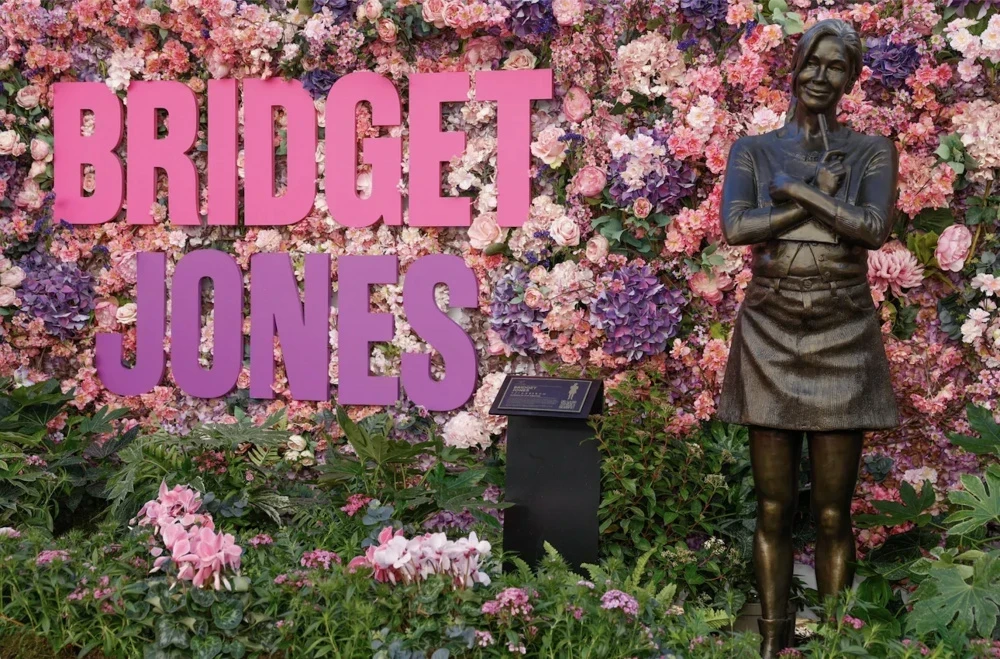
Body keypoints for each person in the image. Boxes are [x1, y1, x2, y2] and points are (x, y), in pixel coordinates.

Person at [716, 18, 900, 658]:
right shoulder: (753, 150)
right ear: (794, 66)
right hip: (770, 330)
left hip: (842, 329)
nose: (821, 76)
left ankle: (834, 645)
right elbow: (737, 229)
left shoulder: (871, 150)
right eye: (813, 63)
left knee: (831, 513)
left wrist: (793, 194)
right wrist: (814, 198)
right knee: (773, 509)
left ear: (851, 79)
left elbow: (871, 229)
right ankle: (774, 639)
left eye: (836, 67)